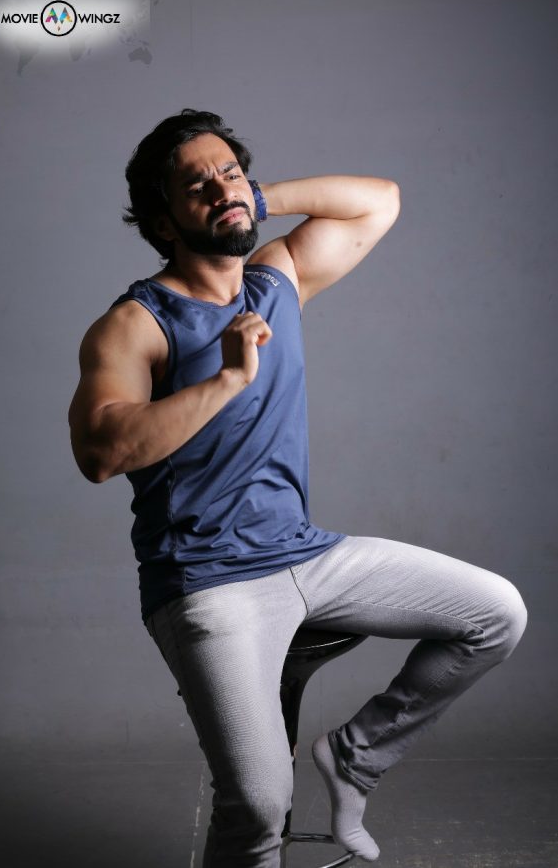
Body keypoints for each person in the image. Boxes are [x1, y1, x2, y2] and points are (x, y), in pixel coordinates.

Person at [68, 109, 528, 868]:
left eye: (230, 172)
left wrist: (254, 196)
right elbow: (99, 451)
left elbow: (379, 200)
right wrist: (226, 380)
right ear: (162, 221)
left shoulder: (275, 280)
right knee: (256, 806)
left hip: (305, 554)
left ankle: (354, 758)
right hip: (207, 581)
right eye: (197, 185)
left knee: (495, 613)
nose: (221, 189)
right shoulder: (135, 323)